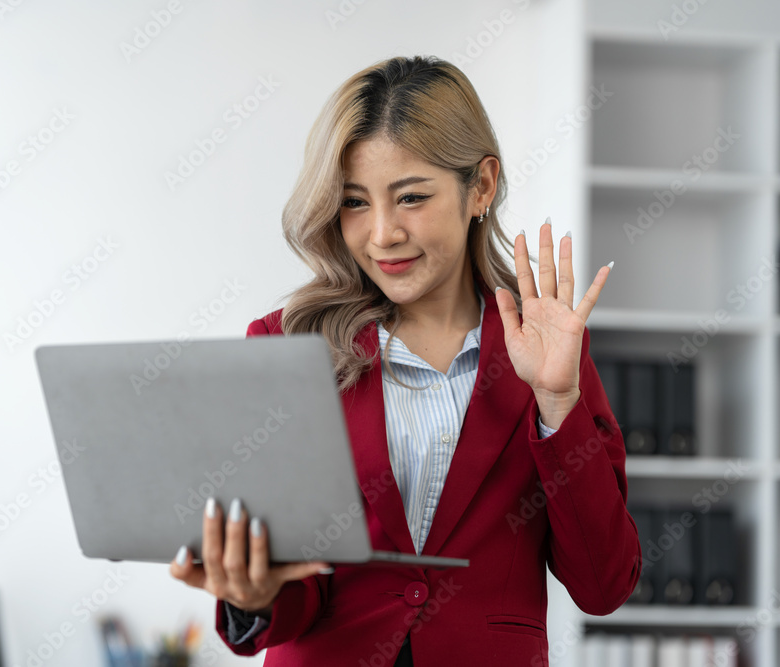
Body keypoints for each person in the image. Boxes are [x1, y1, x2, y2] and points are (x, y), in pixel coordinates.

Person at [168, 54, 641, 666]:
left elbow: (604, 586)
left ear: (482, 186)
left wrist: (556, 403)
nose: (382, 234)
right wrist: (255, 596)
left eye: (411, 197)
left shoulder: (544, 349)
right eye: (355, 202)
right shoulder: (291, 346)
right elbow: (300, 587)